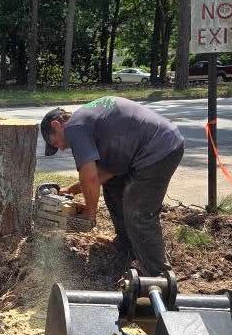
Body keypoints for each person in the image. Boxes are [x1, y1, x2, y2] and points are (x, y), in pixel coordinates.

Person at [40, 96, 184, 274]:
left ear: (57, 125)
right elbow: (106, 173)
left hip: (159, 149)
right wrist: (71, 190)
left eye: (56, 143)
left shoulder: (75, 127)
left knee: (138, 213)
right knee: (114, 185)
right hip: (156, 143)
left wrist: (90, 213)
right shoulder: (88, 121)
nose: (61, 148)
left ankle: (158, 276)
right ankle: (127, 246)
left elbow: (90, 177)